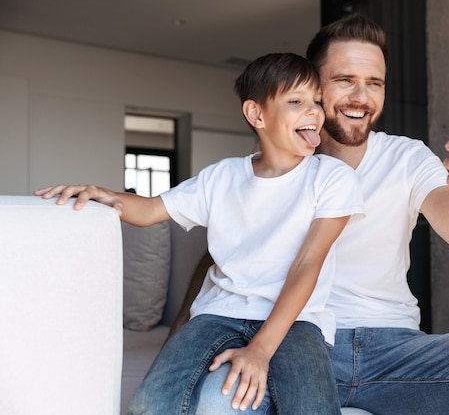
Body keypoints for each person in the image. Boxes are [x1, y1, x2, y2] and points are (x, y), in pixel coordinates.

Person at [177, 13, 449, 415]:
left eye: (375, 83)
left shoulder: (406, 158)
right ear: (313, 87)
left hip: (396, 352)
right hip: (295, 344)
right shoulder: (270, 169)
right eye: (344, 80)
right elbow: (222, 258)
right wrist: (180, 342)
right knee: (218, 402)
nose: (361, 97)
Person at [36, 52, 365, 415]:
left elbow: (307, 264)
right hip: (217, 312)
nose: (314, 111)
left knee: (312, 407)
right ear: (256, 114)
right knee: (149, 403)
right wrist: (105, 195)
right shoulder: (221, 177)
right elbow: (149, 210)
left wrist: (260, 350)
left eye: (317, 101)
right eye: (296, 101)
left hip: (297, 321)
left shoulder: (332, 178)